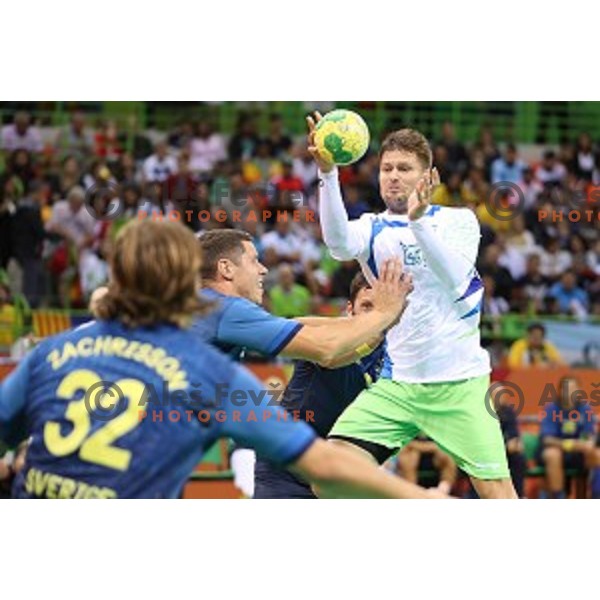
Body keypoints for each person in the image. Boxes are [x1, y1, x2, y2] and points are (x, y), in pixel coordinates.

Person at [0, 220, 442, 500]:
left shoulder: (53, 352)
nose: (264, 269)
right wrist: (423, 501)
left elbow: (302, 326)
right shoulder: (211, 362)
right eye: (255, 261)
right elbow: (322, 458)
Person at [308, 114, 516, 498]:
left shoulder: (459, 221)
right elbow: (337, 243)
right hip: (397, 385)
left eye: (404, 168)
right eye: (387, 168)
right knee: (329, 475)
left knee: (499, 496)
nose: (393, 176)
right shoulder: (372, 227)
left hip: (461, 386)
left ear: (428, 177)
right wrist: (328, 174)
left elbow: (456, 277)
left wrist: (419, 222)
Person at [254, 273, 386, 498]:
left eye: (380, 309)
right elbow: (286, 327)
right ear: (349, 308)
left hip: (339, 470)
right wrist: (354, 328)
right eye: (366, 307)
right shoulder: (327, 336)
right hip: (286, 466)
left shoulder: (393, 357)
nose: (373, 316)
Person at [538, 376, 597, 499]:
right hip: (558, 452)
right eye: (566, 389)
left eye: (573, 388)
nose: (570, 392)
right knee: (552, 454)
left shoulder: (585, 409)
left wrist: (586, 443)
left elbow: (589, 436)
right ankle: (558, 496)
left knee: (594, 452)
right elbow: (547, 439)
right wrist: (569, 445)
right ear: (559, 391)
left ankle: (593, 494)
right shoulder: (551, 409)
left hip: (579, 454)